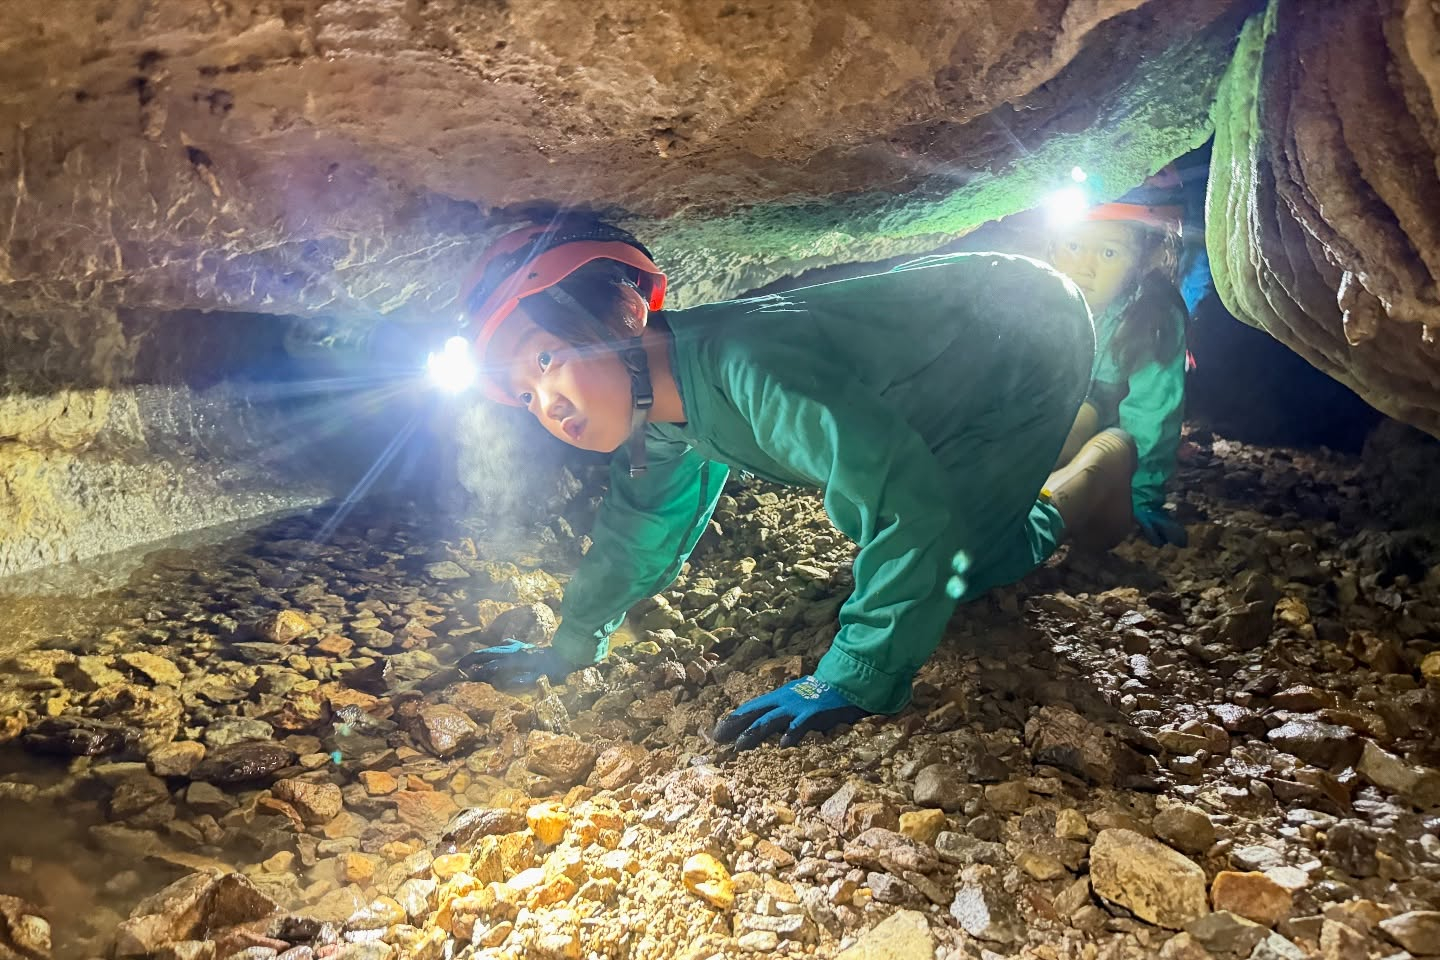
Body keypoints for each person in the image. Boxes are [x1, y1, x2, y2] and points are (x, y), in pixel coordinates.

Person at [453, 219, 1135, 749]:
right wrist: (568, 646)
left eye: (547, 358)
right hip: (949, 351)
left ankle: (1095, 466)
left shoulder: (752, 371)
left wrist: (854, 675)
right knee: (928, 527)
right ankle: (1042, 454)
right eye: (524, 393)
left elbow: (907, 508)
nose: (546, 403)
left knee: (970, 562)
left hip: (1028, 336)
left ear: (625, 312)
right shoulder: (658, 415)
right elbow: (639, 533)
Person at [1047, 167, 1191, 547]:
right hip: (1041, 443)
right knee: (1076, 415)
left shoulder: (1154, 319)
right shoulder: (1039, 298)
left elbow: (1152, 416)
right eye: (1074, 245)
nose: (1084, 266)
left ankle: (1044, 516)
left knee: (1098, 429)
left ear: (1146, 259)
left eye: (1109, 252)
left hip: (1108, 464)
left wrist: (1143, 499)